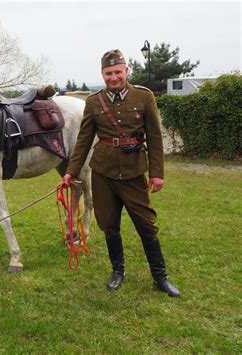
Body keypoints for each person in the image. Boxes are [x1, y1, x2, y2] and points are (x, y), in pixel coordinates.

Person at [61, 49, 180, 297]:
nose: (113, 77)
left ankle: (161, 277)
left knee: (146, 225)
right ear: (102, 74)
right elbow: (83, 140)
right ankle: (118, 271)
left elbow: (155, 138)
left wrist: (157, 173)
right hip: (102, 173)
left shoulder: (144, 97)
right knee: (109, 225)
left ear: (126, 71)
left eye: (117, 72)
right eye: (108, 73)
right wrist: (71, 172)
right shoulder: (94, 102)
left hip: (134, 172)